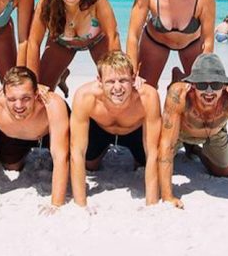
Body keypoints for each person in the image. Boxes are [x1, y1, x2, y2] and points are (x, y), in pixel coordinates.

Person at [157, 53, 228, 212]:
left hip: (214, 133)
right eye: (201, 85)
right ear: (193, 85)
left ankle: (196, 150)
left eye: (215, 84)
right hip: (181, 132)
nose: (209, 91)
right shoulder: (179, 94)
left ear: (223, 85)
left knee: (222, 172)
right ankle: (178, 77)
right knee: (151, 163)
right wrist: (167, 196)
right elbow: (167, 144)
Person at [69, 51, 162, 207]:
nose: (117, 87)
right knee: (89, 165)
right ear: (99, 81)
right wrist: (80, 204)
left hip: (134, 131)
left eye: (123, 80)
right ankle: (104, 150)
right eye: (110, 81)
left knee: (144, 164)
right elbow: (77, 151)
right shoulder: (85, 96)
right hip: (101, 130)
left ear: (133, 79)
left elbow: (153, 152)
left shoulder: (148, 97)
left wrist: (151, 204)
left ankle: (135, 158)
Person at [0, 66, 70, 210]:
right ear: (3, 94)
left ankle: (60, 76)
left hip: (47, 133)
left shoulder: (51, 103)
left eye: (26, 98)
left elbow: (60, 155)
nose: (19, 105)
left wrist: (56, 204)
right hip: (15, 134)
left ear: (36, 94)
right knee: (11, 165)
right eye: (11, 99)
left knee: (80, 163)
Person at [26, 0, 120, 97]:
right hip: (61, 44)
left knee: (114, 87)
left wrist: (118, 75)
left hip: (97, 42)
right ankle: (60, 76)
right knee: (39, 93)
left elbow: (112, 35)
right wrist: (33, 83)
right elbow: (34, 42)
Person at [127, 0, 217, 87]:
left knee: (198, 89)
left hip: (192, 44)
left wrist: (203, 73)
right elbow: (133, 35)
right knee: (143, 89)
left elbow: (208, 40)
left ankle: (178, 78)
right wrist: (131, 72)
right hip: (155, 41)